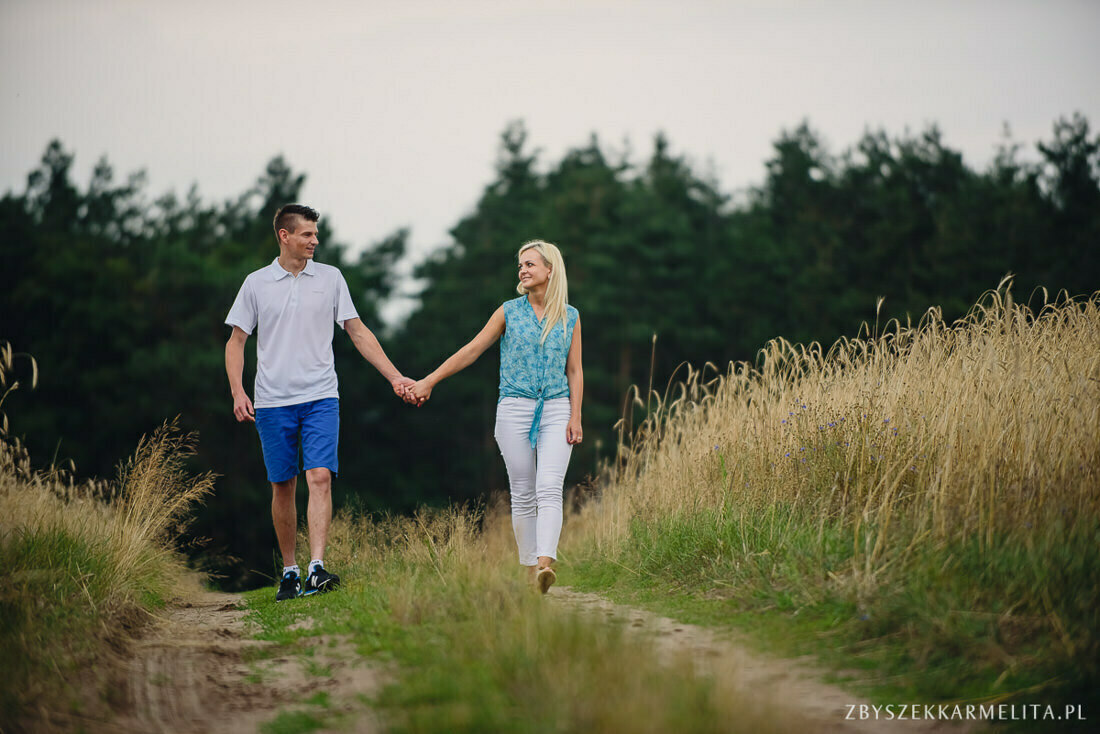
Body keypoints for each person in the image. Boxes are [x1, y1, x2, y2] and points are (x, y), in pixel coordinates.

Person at [225, 203, 416, 602]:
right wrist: (238, 391)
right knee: (283, 485)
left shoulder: (331, 279)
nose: (315, 240)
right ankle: (290, 571)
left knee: (320, 476)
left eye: (315, 234)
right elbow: (236, 342)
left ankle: (316, 568)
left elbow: (357, 331)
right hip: (273, 401)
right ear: (285, 236)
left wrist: (395, 376)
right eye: (307, 234)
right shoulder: (256, 283)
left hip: (321, 397)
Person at [409, 240, 583, 593]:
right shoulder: (508, 312)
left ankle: (545, 565)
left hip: (555, 407)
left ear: (550, 269)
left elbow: (576, 371)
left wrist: (575, 416)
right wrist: (429, 381)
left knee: (549, 487)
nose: (522, 270)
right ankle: (529, 567)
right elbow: (472, 350)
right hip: (514, 408)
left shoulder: (570, 316)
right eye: (520, 265)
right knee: (522, 492)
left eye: (530, 264)